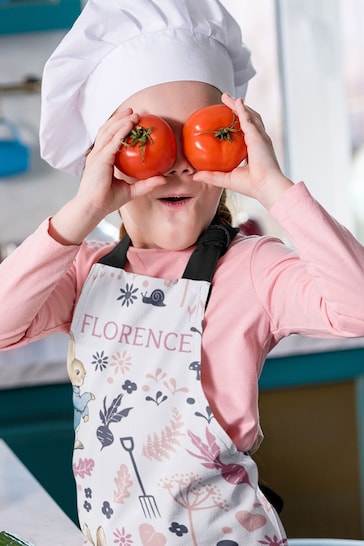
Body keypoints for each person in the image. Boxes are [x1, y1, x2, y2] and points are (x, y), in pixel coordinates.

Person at [1, 1, 364, 545]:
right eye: (146, 138)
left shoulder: (251, 268)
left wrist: (274, 188)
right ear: (102, 159)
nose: (176, 164)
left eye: (202, 135)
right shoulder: (84, 273)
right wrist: (81, 212)